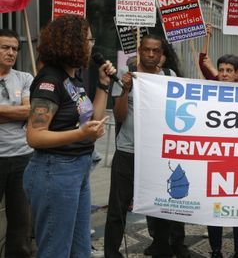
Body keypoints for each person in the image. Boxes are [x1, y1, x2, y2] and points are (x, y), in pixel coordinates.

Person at [23, 14, 115, 257]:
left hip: (78, 169)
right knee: (56, 250)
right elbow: (35, 136)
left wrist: (104, 84)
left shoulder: (72, 78)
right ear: (72, 42)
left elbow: (90, 121)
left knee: (80, 249)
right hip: (55, 170)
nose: (92, 44)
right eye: (88, 39)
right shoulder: (50, 80)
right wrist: (79, 133)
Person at [104, 34, 190, 258]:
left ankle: (161, 248)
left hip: (157, 154)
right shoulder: (125, 76)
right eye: (147, 50)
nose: (151, 55)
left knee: (160, 205)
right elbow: (119, 114)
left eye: (156, 51)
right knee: (117, 208)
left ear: (162, 54)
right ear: (140, 51)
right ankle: (111, 252)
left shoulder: (170, 77)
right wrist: (125, 90)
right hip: (128, 151)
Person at [208, 54, 238, 258]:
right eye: (221, 70)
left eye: (229, 71)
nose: (224, 74)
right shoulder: (208, 94)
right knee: (214, 208)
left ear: (237, 74)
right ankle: (216, 249)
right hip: (217, 159)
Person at [0, 29, 34, 257]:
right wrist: (18, 111)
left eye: (14, 48)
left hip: (23, 157)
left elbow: (31, 111)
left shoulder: (25, 78)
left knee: (21, 220)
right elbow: (22, 111)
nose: (11, 52)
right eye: (5, 47)